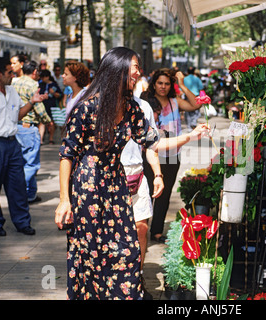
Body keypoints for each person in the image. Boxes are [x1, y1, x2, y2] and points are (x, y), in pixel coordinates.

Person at [54, 47, 159, 300]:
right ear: (119, 68)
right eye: (135, 66)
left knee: (127, 251)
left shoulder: (132, 107)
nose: (138, 72)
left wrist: (191, 137)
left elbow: (152, 142)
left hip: (116, 187)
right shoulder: (87, 107)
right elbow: (67, 155)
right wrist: (64, 200)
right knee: (90, 253)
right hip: (87, 189)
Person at [0, 56, 46, 236]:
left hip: (12, 143)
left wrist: (32, 102)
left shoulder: (12, 92)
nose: (13, 74)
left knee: (18, 185)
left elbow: (17, 116)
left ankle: (22, 222)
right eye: (9, 72)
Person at [140, 68, 204, 243]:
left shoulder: (175, 102)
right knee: (146, 192)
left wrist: (182, 84)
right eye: (160, 83)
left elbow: (196, 104)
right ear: (154, 84)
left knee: (165, 194)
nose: (163, 87)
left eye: (167, 84)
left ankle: (157, 231)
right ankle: (140, 228)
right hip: (150, 153)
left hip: (172, 154)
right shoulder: (145, 101)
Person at [120, 94, 163, 300]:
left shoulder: (143, 106)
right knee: (114, 234)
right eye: (132, 68)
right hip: (109, 177)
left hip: (137, 173)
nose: (135, 74)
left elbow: (151, 147)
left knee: (141, 229)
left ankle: (136, 279)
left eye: (137, 68)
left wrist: (158, 174)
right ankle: (115, 282)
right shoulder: (99, 102)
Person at [12, 60, 51, 204]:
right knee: (31, 164)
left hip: (16, 126)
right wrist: (47, 121)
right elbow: (39, 108)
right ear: (34, 72)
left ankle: (30, 194)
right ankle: (20, 194)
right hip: (29, 127)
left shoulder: (14, 82)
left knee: (21, 162)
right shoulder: (33, 85)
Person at [39, 69, 63, 144]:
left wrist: (54, 93)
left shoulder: (54, 85)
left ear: (47, 77)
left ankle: (51, 139)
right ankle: (41, 139)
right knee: (42, 122)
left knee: (52, 122)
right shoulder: (41, 85)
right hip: (43, 105)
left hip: (52, 105)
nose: (42, 79)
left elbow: (60, 95)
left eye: (43, 77)